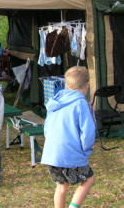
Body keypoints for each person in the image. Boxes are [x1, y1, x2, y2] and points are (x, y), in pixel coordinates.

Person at [41, 66, 96, 208]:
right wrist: (86, 150)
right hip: (70, 153)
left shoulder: (54, 102)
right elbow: (88, 132)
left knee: (61, 186)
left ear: (66, 84)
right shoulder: (82, 104)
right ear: (87, 85)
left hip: (51, 154)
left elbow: (46, 127)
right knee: (89, 180)